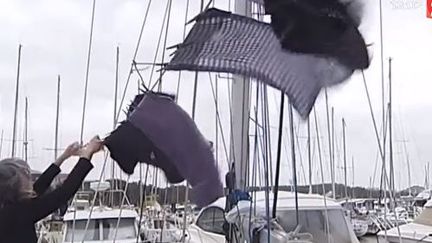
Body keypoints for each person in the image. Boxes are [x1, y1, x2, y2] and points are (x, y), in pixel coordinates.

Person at [0, 136, 103, 243]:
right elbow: (64, 193)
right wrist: (87, 155)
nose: (29, 178)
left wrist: (65, 156)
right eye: (25, 175)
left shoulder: (9, 208)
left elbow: (40, 186)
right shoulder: (17, 213)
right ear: (14, 184)